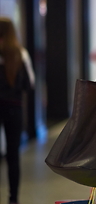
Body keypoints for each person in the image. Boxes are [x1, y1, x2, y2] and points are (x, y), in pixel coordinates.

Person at [0, 17, 34, 204]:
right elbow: (30, 84)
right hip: (14, 108)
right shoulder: (20, 54)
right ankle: (13, 199)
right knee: (13, 156)